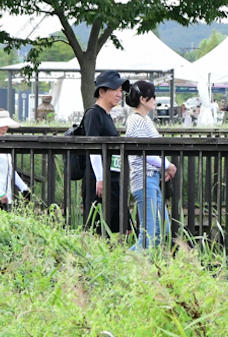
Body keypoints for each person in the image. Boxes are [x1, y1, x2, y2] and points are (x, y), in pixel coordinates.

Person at [120, 78, 177, 251]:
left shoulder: (145, 120)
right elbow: (144, 152)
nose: (155, 99)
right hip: (144, 179)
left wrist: (164, 166)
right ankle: (123, 265)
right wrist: (167, 165)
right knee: (149, 233)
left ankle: (145, 266)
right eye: (152, 96)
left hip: (152, 178)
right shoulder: (136, 120)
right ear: (143, 99)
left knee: (162, 229)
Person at [72, 72, 126, 233]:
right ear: (101, 91)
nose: (119, 94)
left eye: (121, 90)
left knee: (119, 226)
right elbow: (93, 147)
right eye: (115, 89)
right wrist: (100, 178)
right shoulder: (94, 114)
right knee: (96, 227)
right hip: (98, 180)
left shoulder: (107, 116)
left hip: (112, 177)